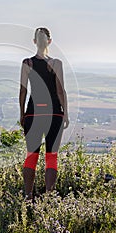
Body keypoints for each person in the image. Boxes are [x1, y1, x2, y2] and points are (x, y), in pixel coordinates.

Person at [19, 27, 69, 200]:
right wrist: (66, 113)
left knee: (31, 155)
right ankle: (48, 198)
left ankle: (28, 195)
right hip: (54, 113)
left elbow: (23, 92)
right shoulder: (56, 63)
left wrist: (22, 113)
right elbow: (61, 92)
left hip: (33, 114)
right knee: (51, 156)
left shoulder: (27, 63)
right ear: (49, 41)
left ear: (34, 41)